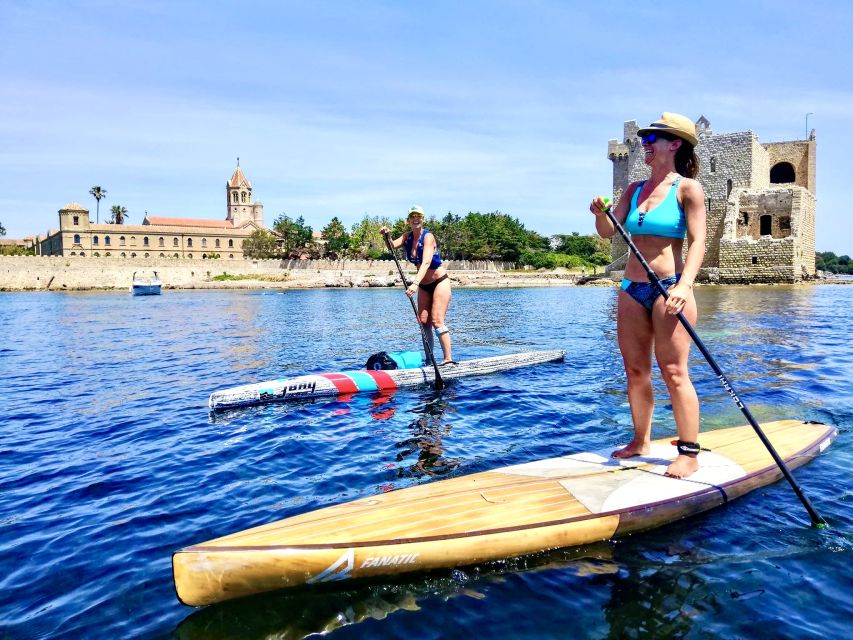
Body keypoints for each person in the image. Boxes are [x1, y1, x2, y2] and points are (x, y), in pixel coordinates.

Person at [589, 112, 707, 478]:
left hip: (669, 288)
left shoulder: (687, 188)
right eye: (644, 139)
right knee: (636, 371)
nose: (645, 144)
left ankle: (688, 453)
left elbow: (698, 240)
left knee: (674, 371)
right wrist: (599, 213)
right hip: (630, 288)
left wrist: (685, 286)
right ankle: (641, 441)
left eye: (652, 139)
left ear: (674, 144)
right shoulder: (633, 189)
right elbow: (609, 232)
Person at [381, 206, 454, 365]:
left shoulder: (428, 237)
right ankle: (430, 360)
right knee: (423, 322)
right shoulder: (407, 237)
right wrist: (386, 236)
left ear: (423, 219)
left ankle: (448, 359)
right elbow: (392, 246)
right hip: (424, 285)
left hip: (439, 282)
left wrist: (414, 284)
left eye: (418, 216)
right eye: (412, 216)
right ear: (408, 220)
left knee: (437, 321)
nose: (415, 219)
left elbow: (427, 262)